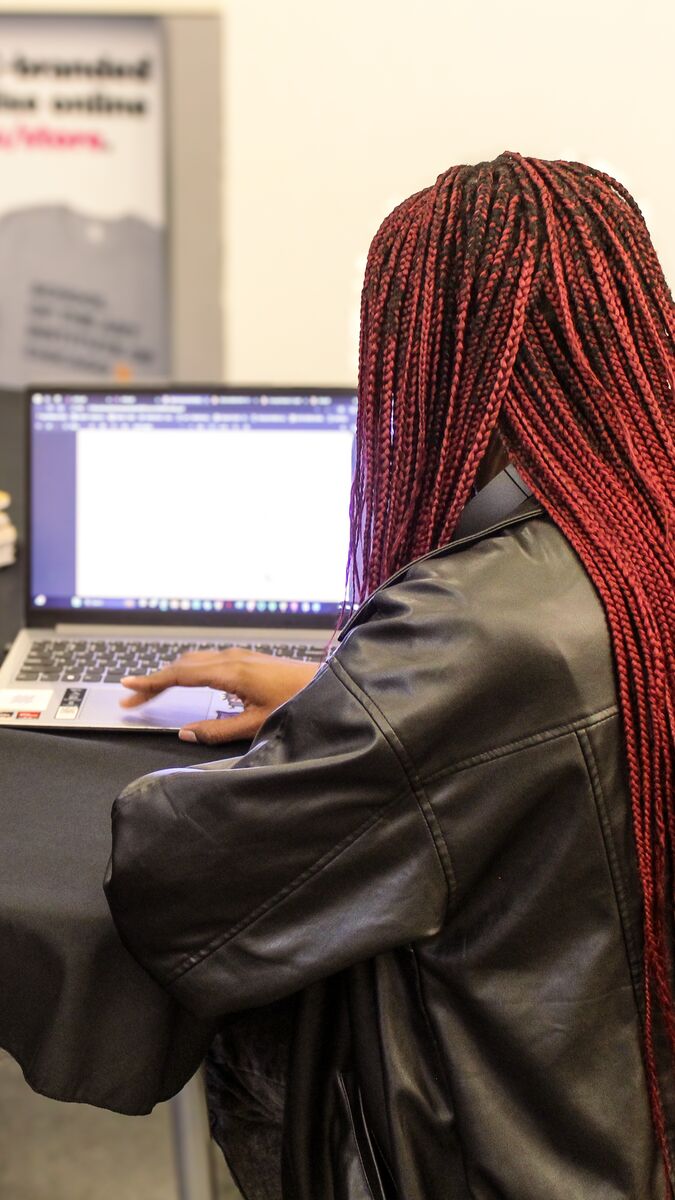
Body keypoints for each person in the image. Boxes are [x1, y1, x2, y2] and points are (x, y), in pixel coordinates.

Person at [105, 151, 675, 1200]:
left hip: (518, 1158)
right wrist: (355, 691)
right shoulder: (640, 535)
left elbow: (186, 883)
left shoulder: (476, 625)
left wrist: (363, 708)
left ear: (434, 353)